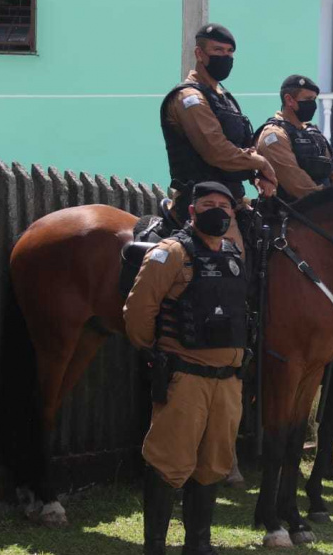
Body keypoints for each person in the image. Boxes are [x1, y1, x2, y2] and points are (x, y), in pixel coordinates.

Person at [125, 182, 248, 555]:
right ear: (192, 211)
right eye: (208, 204)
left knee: (213, 463)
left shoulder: (234, 254)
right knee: (168, 462)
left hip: (227, 383)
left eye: (224, 206)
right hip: (186, 376)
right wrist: (157, 354)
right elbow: (138, 311)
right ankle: (156, 546)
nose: (217, 211)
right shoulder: (172, 253)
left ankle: (198, 544)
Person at [159, 23, 277, 250]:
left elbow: (243, 147)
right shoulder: (189, 97)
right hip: (203, 201)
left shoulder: (225, 98)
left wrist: (257, 176)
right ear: (199, 53)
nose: (225, 57)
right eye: (217, 51)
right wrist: (260, 163)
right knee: (235, 260)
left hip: (232, 196)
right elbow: (216, 151)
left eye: (229, 52)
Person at [255, 75, 333, 201]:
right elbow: (294, 180)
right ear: (289, 100)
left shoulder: (314, 133)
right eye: (308, 99)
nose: (313, 104)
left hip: (323, 209)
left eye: (314, 99)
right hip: (290, 213)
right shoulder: (274, 135)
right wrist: (325, 202)